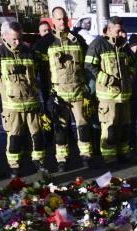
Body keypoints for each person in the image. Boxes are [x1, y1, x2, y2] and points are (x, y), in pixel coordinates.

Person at [0, 21, 46, 176]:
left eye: (19, 38)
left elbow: (36, 76)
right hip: (12, 107)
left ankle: (38, 163)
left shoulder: (29, 52)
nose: (18, 42)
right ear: (5, 36)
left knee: (37, 135)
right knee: (14, 137)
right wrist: (4, 95)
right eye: (14, 39)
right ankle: (15, 167)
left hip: (31, 103)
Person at [43, 6, 92, 171]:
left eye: (64, 18)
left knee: (83, 126)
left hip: (78, 91)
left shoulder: (77, 39)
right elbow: (41, 70)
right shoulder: (46, 42)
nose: (62, 21)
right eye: (58, 19)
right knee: (61, 129)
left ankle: (86, 157)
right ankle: (62, 160)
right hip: (60, 95)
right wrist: (48, 95)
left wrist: (87, 88)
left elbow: (88, 63)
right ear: (53, 21)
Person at [85, 16, 136, 166]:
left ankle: (123, 154)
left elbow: (132, 63)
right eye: (118, 31)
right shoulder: (98, 44)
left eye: (122, 31)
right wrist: (107, 79)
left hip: (124, 95)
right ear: (109, 29)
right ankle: (109, 158)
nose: (121, 34)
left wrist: (131, 74)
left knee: (124, 128)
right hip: (108, 97)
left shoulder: (123, 45)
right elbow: (89, 66)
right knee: (110, 129)